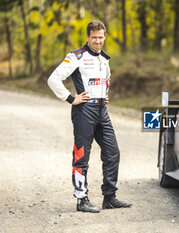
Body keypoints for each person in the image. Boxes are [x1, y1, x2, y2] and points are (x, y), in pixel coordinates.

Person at [47, 20, 131, 213]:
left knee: (113, 152)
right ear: (87, 37)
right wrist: (70, 98)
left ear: (105, 37)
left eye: (101, 37)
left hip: (102, 110)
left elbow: (106, 78)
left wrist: (104, 94)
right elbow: (53, 79)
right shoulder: (76, 56)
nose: (98, 41)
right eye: (94, 38)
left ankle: (109, 197)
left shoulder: (105, 58)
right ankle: (81, 199)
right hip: (84, 111)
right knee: (81, 155)